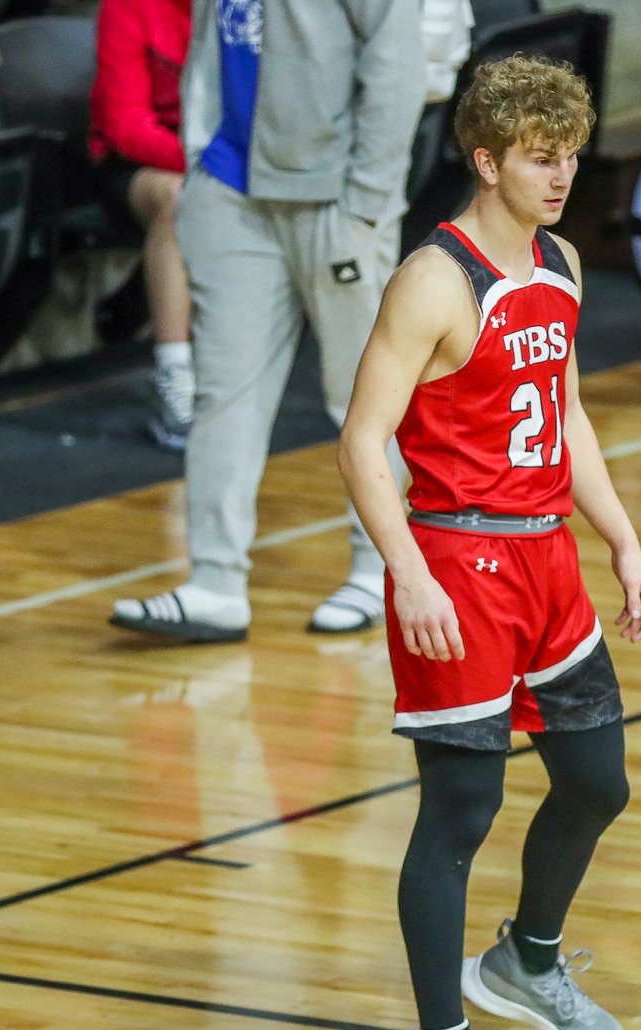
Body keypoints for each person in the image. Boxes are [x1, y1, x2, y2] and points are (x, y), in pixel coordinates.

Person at [338, 55, 641, 1030]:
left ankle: (526, 958)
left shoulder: (561, 262)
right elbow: (363, 440)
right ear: (486, 162)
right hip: (459, 566)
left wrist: (622, 539)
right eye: (540, 157)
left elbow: (563, 412)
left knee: (598, 780)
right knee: (459, 815)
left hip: (547, 562)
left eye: (570, 155)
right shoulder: (434, 280)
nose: (562, 175)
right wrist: (408, 571)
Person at [108, 0, 425, 641]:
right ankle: (215, 584)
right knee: (224, 393)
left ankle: (381, 571)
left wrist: (366, 201)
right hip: (231, 191)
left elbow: (398, 64)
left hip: (333, 198)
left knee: (366, 395)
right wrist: (201, 167)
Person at [88, 0, 195, 452]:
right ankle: (175, 374)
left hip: (221, 159)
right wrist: (210, 162)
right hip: (137, 164)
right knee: (179, 200)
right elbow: (127, 126)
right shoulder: (128, 7)